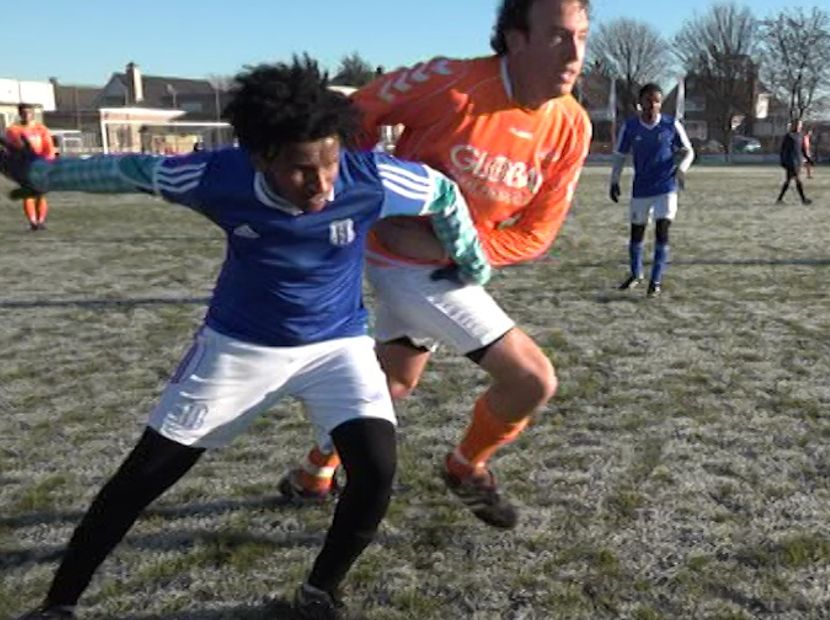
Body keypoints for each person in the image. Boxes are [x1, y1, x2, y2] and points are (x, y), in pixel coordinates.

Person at [6, 56, 490, 620]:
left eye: (331, 162)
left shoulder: (371, 178)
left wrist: (472, 265)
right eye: (302, 169)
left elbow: (445, 196)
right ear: (259, 157)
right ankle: (57, 606)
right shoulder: (216, 177)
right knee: (142, 479)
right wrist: (41, 176)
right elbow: (128, 170)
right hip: (238, 349)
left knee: (377, 472)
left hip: (337, 348)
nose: (322, 183)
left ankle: (319, 592)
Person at [278, 0, 592, 531]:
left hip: (448, 264)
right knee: (532, 380)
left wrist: (455, 245)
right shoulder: (452, 83)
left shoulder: (572, 126)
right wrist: (367, 196)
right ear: (516, 39)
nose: (575, 52)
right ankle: (465, 466)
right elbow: (353, 116)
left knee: (393, 382)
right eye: (558, 36)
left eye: (582, 37)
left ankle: (312, 474)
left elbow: (537, 235)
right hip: (400, 260)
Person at [609, 83, 694, 298]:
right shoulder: (630, 127)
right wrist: (614, 181)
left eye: (656, 101)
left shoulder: (670, 125)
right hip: (641, 189)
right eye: (648, 100)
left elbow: (688, 151)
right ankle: (636, 274)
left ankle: (655, 281)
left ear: (661, 103)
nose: (652, 105)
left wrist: (681, 169)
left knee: (661, 232)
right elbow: (619, 155)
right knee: (637, 234)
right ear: (641, 102)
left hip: (666, 187)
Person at [5, 103, 57, 231]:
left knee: (40, 194)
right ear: (20, 114)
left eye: (29, 112)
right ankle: (33, 221)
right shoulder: (13, 130)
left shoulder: (41, 129)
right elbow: (10, 148)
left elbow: (48, 146)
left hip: (40, 164)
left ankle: (41, 221)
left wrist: (49, 161)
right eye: (24, 112)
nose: (26, 114)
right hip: (23, 165)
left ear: (33, 114)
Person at [776, 119, 813, 205]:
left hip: (798, 161)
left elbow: (803, 149)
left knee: (788, 181)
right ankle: (803, 199)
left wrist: (808, 159)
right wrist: (783, 161)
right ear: (792, 125)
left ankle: (779, 199)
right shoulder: (788, 136)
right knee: (797, 180)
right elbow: (783, 150)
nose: (798, 126)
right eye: (796, 124)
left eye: (799, 125)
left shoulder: (801, 136)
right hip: (791, 161)